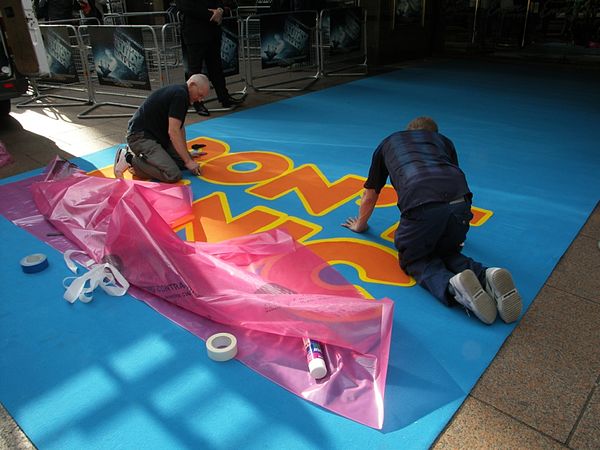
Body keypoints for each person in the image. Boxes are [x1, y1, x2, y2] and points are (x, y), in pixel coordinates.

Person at [342, 116, 523, 325]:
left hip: (422, 202)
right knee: (446, 251)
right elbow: (452, 173)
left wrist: (361, 224)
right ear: (433, 135)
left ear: (408, 130)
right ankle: (487, 275)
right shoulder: (444, 142)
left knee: (415, 259)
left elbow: (371, 193)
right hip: (461, 201)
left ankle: (453, 286)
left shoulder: (389, 142)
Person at [113, 74, 210, 183]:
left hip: (156, 136)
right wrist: (188, 160)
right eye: (200, 95)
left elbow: (179, 127)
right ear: (192, 85)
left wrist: (186, 155)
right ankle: (130, 159)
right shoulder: (180, 95)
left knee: (183, 164)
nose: (200, 100)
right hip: (140, 137)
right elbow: (173, 131)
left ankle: (149, 160)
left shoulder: (181, 93)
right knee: (173, 174)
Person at [176, 0, 245, 117]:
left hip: (213, 32)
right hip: (195, 33)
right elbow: (184, 6)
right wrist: (212, 15)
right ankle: (197, 102)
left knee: (216, 67)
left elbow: (222, 2)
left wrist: (220, 10)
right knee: (195, 70)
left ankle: (224, 97)